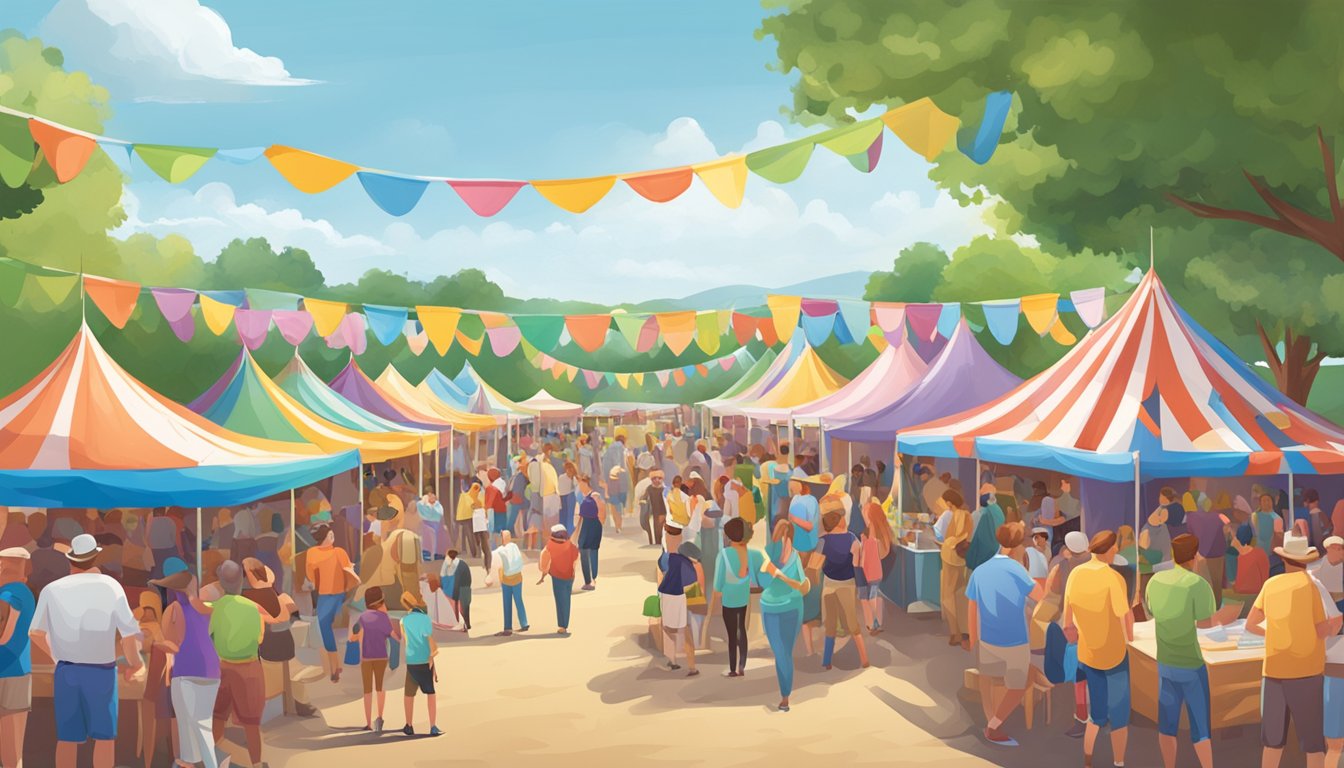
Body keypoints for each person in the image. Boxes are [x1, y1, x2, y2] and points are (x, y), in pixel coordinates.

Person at [29, 533, 143, 768]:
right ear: (94, 560)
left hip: (66, 672)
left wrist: (55, 655)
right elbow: (129, 635)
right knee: (104, 738)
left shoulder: (51, 589)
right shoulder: (112, 587)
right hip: (102, 673)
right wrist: (136, 664)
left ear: (70, 560)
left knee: (68, 738)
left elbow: (35, 633)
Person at [1246, 532, 1333, 768]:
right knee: (1313, 742)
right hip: (1306, 672)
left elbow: (1250, 624)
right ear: (1305, 560)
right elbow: (1320, 630)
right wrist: (1336, 623)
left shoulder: (1270, 584)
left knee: (1272, 742)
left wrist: (1274, 634)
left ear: (1284, 559)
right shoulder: (1311, 586)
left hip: (1273, 672)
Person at [967, 522, 1043, 747]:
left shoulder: (980, 570)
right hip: (1015, 639)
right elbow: (1039, 595)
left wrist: (973, 638)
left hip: (988, 638)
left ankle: (991, 718)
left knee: (989, 680)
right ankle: (994, 725)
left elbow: (972, 607)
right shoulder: (1017, 570)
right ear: (1018, 545)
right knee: (1017, 686)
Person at [1144, 534, 1217, 768]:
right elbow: (1206, 624)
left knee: (1167, 725)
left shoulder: (1155, 581)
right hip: (1191, 664)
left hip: (1165, 662)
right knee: (1200, 728)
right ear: (1195, 555)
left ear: (1173, 554)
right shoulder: (1198, 584)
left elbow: (1153, 612)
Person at [1063, 530, 1133, 768]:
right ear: (1109, 549)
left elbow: (1067, 622)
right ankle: (1119, 762)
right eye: (1115, 548)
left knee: (1097, 714)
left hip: (1088, 653)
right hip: (1114, 654)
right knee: (1120, 715)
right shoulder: (1113, 578)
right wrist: (1131, 639)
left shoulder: (1075, 574)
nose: (1116, 552)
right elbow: (1125, 616)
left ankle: (1088, 761)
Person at [206, 560, 266, 768]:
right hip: (249, 669)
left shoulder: (214, 608)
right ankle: (256, 763)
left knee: (217, 716)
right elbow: (259, 639)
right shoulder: (254, 608)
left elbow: (209, 636)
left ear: (221, 583)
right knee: (251, 723)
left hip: (221, 668)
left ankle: (213, 760)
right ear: (241, 580)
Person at [242, 558, 301, 717]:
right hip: (286, 647)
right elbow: (296, 617)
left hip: (264, 650)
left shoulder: (246, 597)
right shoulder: (281, 597)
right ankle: (289, 703)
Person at [761, 519, 809, 711]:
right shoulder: (772, 552)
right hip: (776, 607)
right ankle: (785, 695)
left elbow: (801, 586)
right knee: (782, 652)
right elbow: (763, 580)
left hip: (788, 607)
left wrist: (778, 574)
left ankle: (785, 695)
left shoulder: (792, 557)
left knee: (784, 652)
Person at [817, 505, 869, 670]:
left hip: (828, 583)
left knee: (830, 623)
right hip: (847, 584)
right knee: (853, 622)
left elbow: (815, 564)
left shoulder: (822, 541)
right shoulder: (852, 539)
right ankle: (864, 659)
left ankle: (827, 661)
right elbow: (857, 564)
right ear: (839, 523)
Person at [304, 523, 357, 683]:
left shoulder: (339, 552)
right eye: (329, 535)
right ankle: (335, 663)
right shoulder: (312, 553)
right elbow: (310, 575)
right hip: (323, 595)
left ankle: (335, 664)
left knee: (325, 625)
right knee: (324, 626)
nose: (332, 537)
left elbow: (349, 571)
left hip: (338, 594)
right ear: (322, 538)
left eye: (332, 534)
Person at [713, 518, 762, 677]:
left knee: (732, 634)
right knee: (742, 628)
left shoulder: (724, 554)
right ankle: (742, 665)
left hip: (728, 598)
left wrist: (717, 591)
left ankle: (733, 668)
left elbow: (718, 582)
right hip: (743, 596)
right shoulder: (751, 553)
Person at [0, 547, 34, 768]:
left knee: (9, 752)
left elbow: (4, 636)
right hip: (20, 671)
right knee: (13, 752)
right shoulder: (27, 594)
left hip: (5, 673)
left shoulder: (8, 594)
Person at [351, 585, 401, 733]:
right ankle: (379, 717)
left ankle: (368, 722)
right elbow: (395, 637)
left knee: (367, 690)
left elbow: (354, 636)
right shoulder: (384, 618)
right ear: (381, 601)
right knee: (380, 688)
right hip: (381, 656)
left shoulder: (363, 617)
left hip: (366, 657)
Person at [656, 526, 700, 676]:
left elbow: (662, 570)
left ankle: (674, 661)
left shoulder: (666, 558)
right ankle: (690, 665)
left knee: (669, 628)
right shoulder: (682, 560)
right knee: (683, 629)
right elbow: (691, 580)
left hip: (668, 595)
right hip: (678, 595)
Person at [399, 592, 440, 737]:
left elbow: (405, 640)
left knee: (409, 695)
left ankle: (409, 725)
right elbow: (429, 639)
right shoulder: (425, 619)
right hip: (425, 660)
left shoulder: (403, 621)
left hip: (411, 661)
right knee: (430, 693)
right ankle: (433, 726)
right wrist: (432, 656)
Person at [937, 489, 973, 648]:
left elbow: (960, 534)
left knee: (947, 596)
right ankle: (965, 630)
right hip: (961, 559)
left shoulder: (958, 514)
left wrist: (948, 543)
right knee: (960, 594)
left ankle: (955, 633)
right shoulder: (967, 514)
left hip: (951, 557)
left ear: (950, 502)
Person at [1186, 494, 1232, 608]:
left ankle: (1204, 608)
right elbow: (1228, 531)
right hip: (1217, 554)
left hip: (1201, 554)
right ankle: (1216, 607)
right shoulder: (1220, 516)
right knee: (1216, 584)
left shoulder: (1191, 517)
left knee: (1202, 583)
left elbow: (1191, 535)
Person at [539, 525, 579, 634]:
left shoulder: (550, 546)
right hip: (570, 576)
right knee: (566, 600)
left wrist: (543, 575)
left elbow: (544, 561)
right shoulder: (571, 546)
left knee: (560, 601)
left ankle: (562, 625)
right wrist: (574, 574)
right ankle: (565, 624)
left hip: (557, 577)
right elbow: (575, 560)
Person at [488, 531, 529, 636]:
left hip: (507, 579)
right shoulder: (514, 546)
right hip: (518, 578)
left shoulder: (501, 550)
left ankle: (508, 627)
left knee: (507, 602)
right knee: (518, 600)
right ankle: (524, 623)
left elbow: (492, 556)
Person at [1230, 523, 1270, 616]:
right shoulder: (1259, 553)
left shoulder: (1236, 557)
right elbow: (1265, 576)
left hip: (1241, 596)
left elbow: (1233, 582)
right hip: (1256, 596)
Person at [966, 484, 1005, 573]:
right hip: (996, 555)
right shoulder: (1000, 512)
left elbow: (970, 537)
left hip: (980, 557)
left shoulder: (978, 514)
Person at [575, 475, 604, 590]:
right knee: (589, 552)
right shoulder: (584, 496)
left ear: (586, 483)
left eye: (581, 484)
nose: (580, 486)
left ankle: (590, 580)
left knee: (588, 551)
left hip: (591, 525)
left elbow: (601, 511)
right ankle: (591, 579)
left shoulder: (593, 496)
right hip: (590, 525)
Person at [440, 549, 472, 632]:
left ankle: (461, 624)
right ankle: (465, 624)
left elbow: (453, 580)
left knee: (460, 608)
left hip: (460, 589)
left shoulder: (454, 566)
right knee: (464, 608)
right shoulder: (461, 563)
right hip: (465, 588)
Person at [417, 485, 444, 562]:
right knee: (427, 540)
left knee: (435, 539)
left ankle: (435, 554)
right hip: (426, 523)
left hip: (436, 523)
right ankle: (427, 554)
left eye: (431, 494)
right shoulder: (420, 504)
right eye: (428, 495)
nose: (430, 496)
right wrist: (427, 505)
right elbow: (423, 514)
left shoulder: (437, 504)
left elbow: (439, 514)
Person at [455, 482, 482, 560]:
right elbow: (462, 508)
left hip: (476, 517)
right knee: (470, 535)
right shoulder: (464, 496)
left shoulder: (479, 496)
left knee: (477, 535)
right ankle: (474, 552)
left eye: (477, 488)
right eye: (475, 488)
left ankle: (477, 552)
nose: (476, 490)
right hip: (466, 518)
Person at [640, 470, 668, 547]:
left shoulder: (665, 490)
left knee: (662, 530)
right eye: (654, 478)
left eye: (659, 478)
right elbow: (644, 499)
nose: (657, 480)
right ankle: (656, 543)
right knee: (655, 530)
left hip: (663, 513)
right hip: (653, 514)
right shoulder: (649, 489)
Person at [558, 461, 578, 534]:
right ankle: (569, 532)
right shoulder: (575, 478)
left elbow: (559, 489)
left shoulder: (561, 477)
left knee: (562, 516)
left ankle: (561, 532)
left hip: (562, 497)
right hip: (571, 496)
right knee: (570, 516)